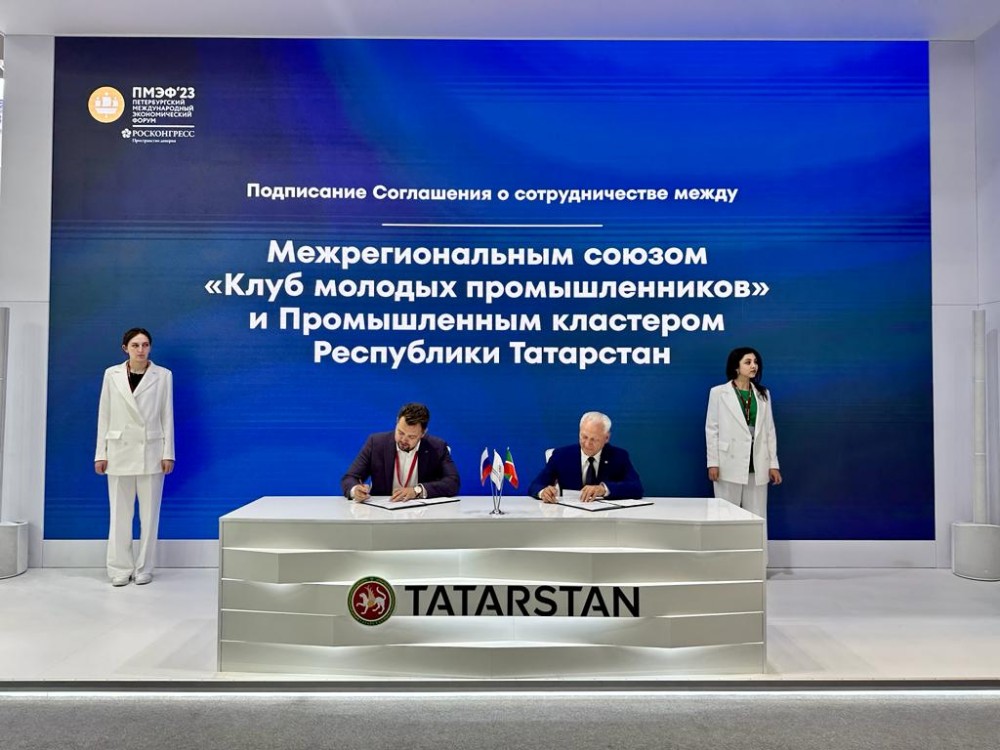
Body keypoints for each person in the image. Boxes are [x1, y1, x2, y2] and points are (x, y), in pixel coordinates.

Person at [94, 327, 175, 586]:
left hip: (151, 450)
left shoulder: (163, 375)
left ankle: (144, 567)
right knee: (119, 515)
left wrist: (168, 453)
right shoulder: (112, 374)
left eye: (145, 345)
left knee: (150, 516)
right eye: (135, 345)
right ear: (125, 348)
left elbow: (167, 415)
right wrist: (100, 453)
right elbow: (104, 414)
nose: (141, 350)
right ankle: (119, 568)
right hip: (119, 449)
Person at [705, 346, 782, 540]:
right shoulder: (718, 393)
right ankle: (725, 555)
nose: (753, 366)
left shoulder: (763, 394)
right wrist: (713, 462)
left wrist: (773, 464)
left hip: (758, 461)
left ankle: (755, 557)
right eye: (748, 362)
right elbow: (712, 429)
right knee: (725, 513)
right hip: (728, 461)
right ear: (736, 367)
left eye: (755, 362)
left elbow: (769, 431)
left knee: (757, 515)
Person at [341, 402, 460, 502]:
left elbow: (453, 482)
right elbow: (350, 477)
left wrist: (416, 491)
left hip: (422, 513)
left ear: (423, 433)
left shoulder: (437, 447)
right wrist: (355, 490)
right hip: (382, 510)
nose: (403, 440)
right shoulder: (376, 443)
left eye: (411, 437)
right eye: (400, 432)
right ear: (397, 422)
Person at [528, 411, 644, 502]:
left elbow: (636, 488)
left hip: (605, 518)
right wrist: (543, 492)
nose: (587, 444)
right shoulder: (561, 456)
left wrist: (603, 489)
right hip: (570, 516)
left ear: (606, 438)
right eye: (584, 437)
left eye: (594, 439)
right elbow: (536, 485)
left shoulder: (619, 456)